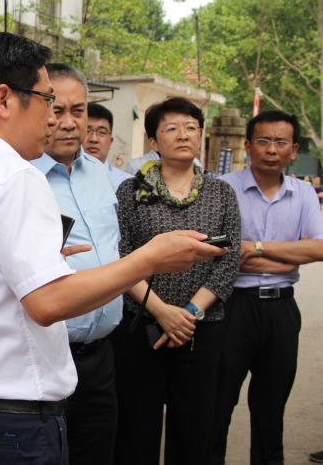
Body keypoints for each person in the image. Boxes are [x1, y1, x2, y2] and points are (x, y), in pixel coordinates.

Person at [0, 32, 226, 465]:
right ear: (4, 100)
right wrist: (149, 258)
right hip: (14, 425)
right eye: (46, 101)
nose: (54, 119)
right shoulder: (16, 178)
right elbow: (48, 302)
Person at [109, 96, 241, 465]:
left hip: (201, 328)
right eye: (171, 128)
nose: (183, 135)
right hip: (142, 324)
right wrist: (162, 312)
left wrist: (188, 314)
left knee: (194, 428)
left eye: (191, 127)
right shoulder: (131, 192)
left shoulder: (222, 193)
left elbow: (229, 261)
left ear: (200, 136)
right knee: (137, 428)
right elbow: (121, 256)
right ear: (153, 141)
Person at [212, 110, 323, 465]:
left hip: (281, 311)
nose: (271, 149)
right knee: (217, 406)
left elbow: (318, 249)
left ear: (294, 150)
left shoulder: (304, 193)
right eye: (263, 141)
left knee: (271, 410)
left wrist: (257, 248)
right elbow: (220, 253)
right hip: (231, 307)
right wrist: (290, 256)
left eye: (280, 142)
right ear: (248, 146)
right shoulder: (223, 187)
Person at [30, 64, 122, 465]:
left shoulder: (101, 174)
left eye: (79, 111)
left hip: (101, 355)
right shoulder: (23, 178)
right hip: (45, 355)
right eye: (57, 110)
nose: (68, 123)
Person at [83, 102, 132, 192]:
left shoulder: (127, 184)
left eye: (102, 132)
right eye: (87, 131)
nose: (94, 139)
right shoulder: (63, 180)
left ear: (110, 142)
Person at [124, 140, 201, 176]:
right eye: (171, 129)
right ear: (154, 143)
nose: (182, 137)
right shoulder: (135, 165)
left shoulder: (194, 162)